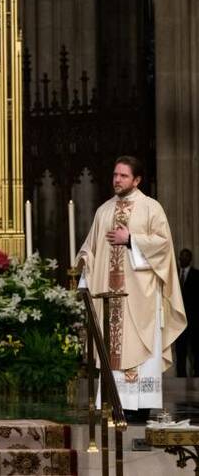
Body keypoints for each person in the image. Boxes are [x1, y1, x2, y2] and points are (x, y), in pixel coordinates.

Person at [76, 156, 186, 419]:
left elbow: (163, 245)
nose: (117, 180)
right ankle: (115, 406)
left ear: (137, 180)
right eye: (115, 175)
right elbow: (91, 248)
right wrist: (83, 263)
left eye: (123, 176)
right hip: (110, 299)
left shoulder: (151, 208)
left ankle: (140, 410)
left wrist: (131, 240)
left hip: (141, 299)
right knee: (111, 347)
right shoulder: (103, 211)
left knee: (140, 348)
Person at [175, 249, 199, 377]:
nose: (182, 259)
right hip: (178, 321)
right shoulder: (174, 274)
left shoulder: (196, 275)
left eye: (185, 257)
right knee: (180, 351)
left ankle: (197, 376)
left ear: (190, 259)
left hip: (194, 321)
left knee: (195, 350)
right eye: (181, 256)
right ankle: (180, 376)